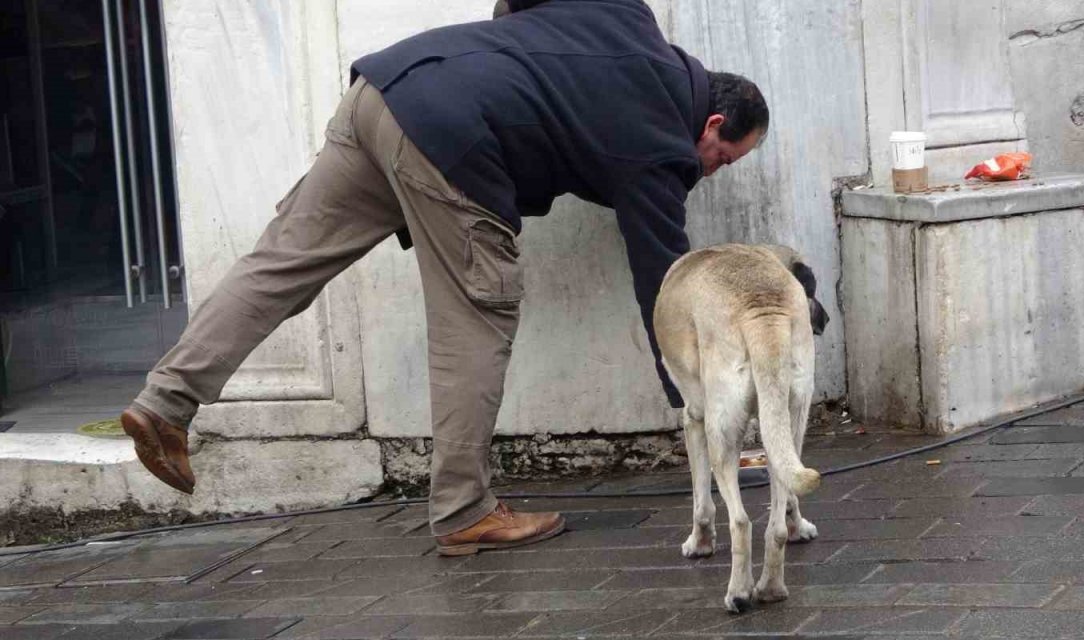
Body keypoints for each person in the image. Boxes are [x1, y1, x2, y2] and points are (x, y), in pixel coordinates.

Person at [119, 0, 769, 556]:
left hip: (386, 88)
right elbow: (666, 286)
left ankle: (165, 402)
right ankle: (464, 511)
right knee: (478, 315)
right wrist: (711, 425)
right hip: (453, 138)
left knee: (281, 264)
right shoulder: (661, 143)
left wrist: (516, 54)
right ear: (711, 124)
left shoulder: (625, 13)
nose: (710, 170)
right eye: (723, 158)